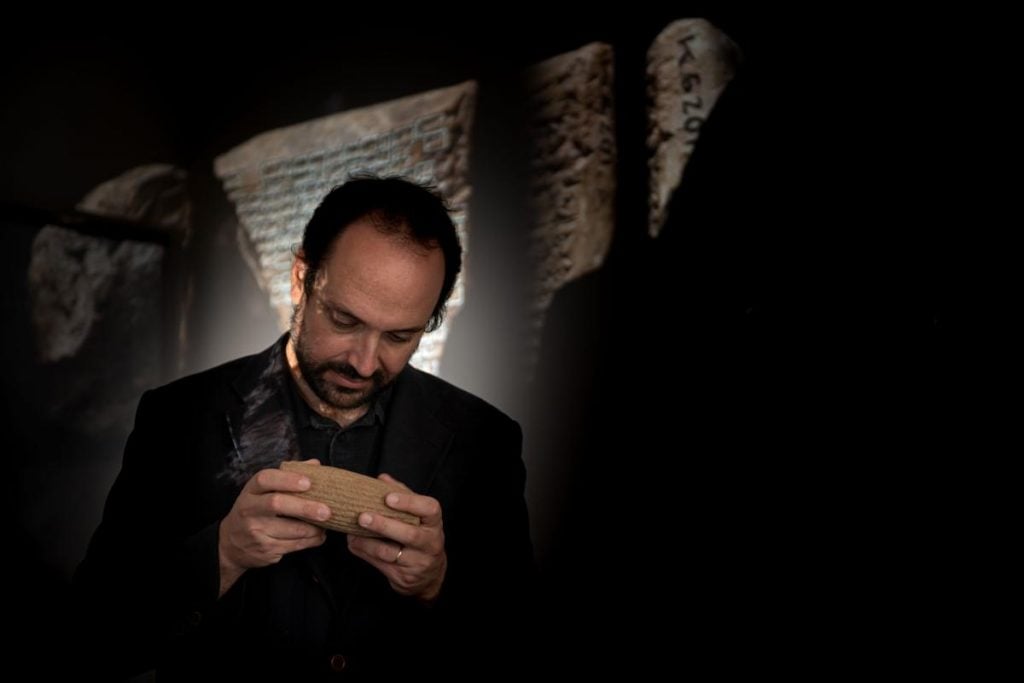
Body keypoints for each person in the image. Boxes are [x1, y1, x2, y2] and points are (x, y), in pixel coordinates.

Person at [73, 175, 533, 680]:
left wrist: (436, 583)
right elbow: (96, 632)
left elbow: (516, 644)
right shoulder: (178, 417)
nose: (364, 362)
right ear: (301, 277)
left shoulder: (484, 440)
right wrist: (223, 552)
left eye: (400, 337)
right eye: (344, 320)